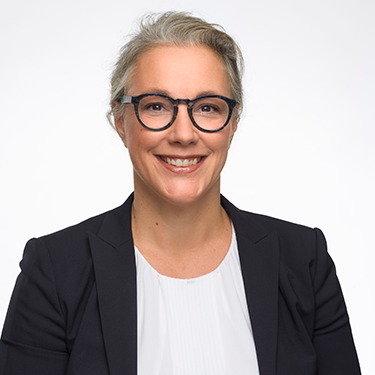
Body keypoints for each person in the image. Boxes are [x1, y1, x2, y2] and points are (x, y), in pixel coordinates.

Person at [0, 11, 361, 375]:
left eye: (207, 108)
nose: (184, 135)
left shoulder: (304, 260)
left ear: (233, 125)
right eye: (156, 106)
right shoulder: (54, 270)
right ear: (121, 121)